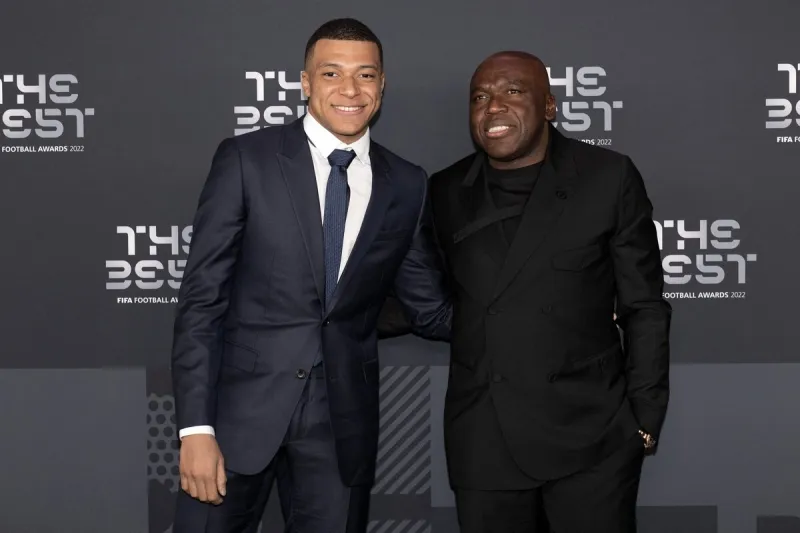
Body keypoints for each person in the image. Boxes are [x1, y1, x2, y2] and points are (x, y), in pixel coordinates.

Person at [170, 18, 450, 533]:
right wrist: (195, 428)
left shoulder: (407, 183)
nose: (350, 90)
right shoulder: (246, 160)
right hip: (235, 419)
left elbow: (429, 308)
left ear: (382, 85)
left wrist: (551, 311)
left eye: (366, 76)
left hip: (340, 428)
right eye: (331, 74)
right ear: (305, 82)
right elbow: (202, 301)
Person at [422, 51, 671, 532]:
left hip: (591, 437)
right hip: (484, 441)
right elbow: (420, 296)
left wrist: (643, 420)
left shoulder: (607, 177)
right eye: (480, 97)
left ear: (550, 106)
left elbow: (644, 307)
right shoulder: (445, 190)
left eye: (512, 91)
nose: (493, 107)